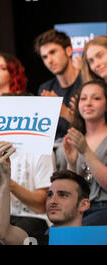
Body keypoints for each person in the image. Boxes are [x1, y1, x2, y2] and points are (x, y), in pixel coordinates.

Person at [0, 142, 90, 245]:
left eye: (63, 195)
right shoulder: (39, 241)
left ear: (83, 204)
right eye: (49, 194)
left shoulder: (99, 238)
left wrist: (72, 165)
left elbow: (73, 188)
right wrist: (5, 177)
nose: (52, 200)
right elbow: (2, 233)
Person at [34, 29, 82, 171]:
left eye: (53, 52)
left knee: (62, 152)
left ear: (68, 51)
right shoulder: (45, 88)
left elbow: (90, 127)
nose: (49, 60)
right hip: (52, 144)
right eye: (44, 57)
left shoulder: (86, 81)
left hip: (78, 142)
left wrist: (64, 111)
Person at [63, 80, 107, 226]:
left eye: (96, 98)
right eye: (83, 98)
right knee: (50, 235)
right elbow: (73, 190)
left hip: (103, 208)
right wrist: (71, 163)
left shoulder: (82, 143)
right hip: (79, 209)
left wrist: (86, 152)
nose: (88, 103)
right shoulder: (77, 138)